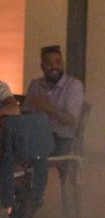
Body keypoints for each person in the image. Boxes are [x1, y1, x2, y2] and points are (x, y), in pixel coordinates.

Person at [23, 45, 84, 180]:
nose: (54, 66)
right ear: (42, 66)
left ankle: (33, 196)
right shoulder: (35, 85)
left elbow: (72, 121)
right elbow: (26, 113)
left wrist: (47, 107)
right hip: (37, 137)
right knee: (9, 148)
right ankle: (18, 193)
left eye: (57, 62)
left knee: (27, 154)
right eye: (49, 63)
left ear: (62, 63)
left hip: (62, 141)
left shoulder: (74, 86)